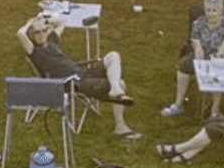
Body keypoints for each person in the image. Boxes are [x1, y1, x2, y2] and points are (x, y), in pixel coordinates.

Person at [16, 11, 140, 140]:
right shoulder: (33, 50)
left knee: (113, 55)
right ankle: (120, 126)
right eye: (37, 32)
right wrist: (30, 22)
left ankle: (115, 89)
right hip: (72, 84)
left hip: (81, 76)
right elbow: (19, 34)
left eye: (43, 30)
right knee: (121, 83)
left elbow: (63, 21)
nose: (41, 34)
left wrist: (45, 20)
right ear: (31, 35)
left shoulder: (51, 39)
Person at [159, 0, 224, 117]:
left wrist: (222, 51)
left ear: (221, 10)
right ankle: (178, 104)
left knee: (218, 70)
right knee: (184, 65)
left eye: (214, 10)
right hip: (203, 55)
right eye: (208, 10)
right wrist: (198, 49)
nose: (211, 13)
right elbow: (195, 39)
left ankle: (215, 110)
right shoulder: (199, 23)